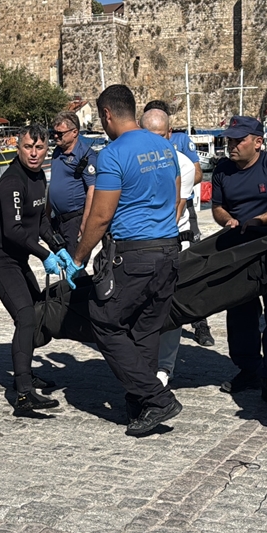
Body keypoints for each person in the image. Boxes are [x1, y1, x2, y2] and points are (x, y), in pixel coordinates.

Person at [60, 85, 184, 437]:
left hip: (134, 254)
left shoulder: (112, 155)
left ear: (107, 115)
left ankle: (156, 398)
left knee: (105, 321)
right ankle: (142, 405)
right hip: (168, 249)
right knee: (145, 329)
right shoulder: (164, 146)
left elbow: (100, 217)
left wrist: (78, 258)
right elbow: (175, 198)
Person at [209, 116, 267, 406]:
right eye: (229, 140)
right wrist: (228, 220)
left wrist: (260, 219)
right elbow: (218, 208)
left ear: (257, 142)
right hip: (238, 252)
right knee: (240, 315)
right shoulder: (222, 170)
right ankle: (248, 369)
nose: (231, 145)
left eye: (238, 140)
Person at [0, 124, 65, 415]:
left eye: (39, 148)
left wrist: (60, 247)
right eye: (28, 147)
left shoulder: (39, 176)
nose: (33, 153)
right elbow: (15, 231)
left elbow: (41, 222)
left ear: (46, 150)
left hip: (17, 259)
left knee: (40, 312)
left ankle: (25, 372)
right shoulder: (12, 182)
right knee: (26, 316)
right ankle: (23, 394)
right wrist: (44, 255)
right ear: (18, 147)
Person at [143, 100, 216, 348]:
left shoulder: (182, 143)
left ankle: (200, 324)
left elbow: (197, 173)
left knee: (191, 268)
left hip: (184, 209)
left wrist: (177, 183)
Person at [141, 108, 194, 387]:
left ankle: (165, 365)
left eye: (161, 137)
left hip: (170, 239)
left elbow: (175, 209)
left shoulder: (182, 164)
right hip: (140, 243)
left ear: (170, 135)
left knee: (167, 304)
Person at [48, 111, 96, 255]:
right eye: (53, 132)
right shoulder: (57, 151)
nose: (55, 136)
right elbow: (54, 184)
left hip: (75, 219)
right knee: (63, 260)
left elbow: (92, 190)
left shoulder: (86, 156)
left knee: (75, 264)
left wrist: (85, 223)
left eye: (60, 133)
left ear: (74, 132)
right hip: (57, 219)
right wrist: (46, 214)